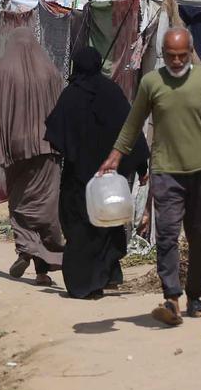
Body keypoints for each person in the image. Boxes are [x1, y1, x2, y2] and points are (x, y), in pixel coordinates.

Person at [100, 27, 201, 326]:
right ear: (164, 54)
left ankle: (195, 296)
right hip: (166, 172)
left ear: (190, 52)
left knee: (199, 238)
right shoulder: (151, 83)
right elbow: (133, 123)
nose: (177, 61)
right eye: (171, 56)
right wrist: (116, 155)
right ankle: (171, 297)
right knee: (167, 235)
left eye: (182, 56)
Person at [45, 47, 149, 299]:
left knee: (80, 229)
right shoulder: (111, 92)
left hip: (78, 178)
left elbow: (55, 134)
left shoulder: (71, 96)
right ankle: (106, 275)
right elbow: (130, 129)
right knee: (105, 224)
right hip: (109, 178)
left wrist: (73, 151)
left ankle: (84, 285)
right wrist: (141, 165)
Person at [0, 28, 65, 287]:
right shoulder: (51, 73)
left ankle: (25, 249)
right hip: (48, 146)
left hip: (15, 149)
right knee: (45, 207)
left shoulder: (6, 73)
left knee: (20, 204)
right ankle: (44, 270)